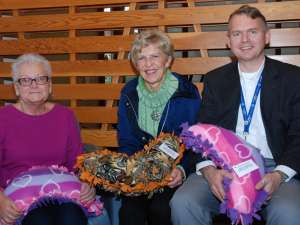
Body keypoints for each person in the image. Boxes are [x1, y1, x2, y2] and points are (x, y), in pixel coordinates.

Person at [170, 5, 300, 225]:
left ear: (266, 37)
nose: (245, 39)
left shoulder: (293, 78)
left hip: (275, 167)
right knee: (183, 202)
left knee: (289, 211)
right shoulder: (215, 80)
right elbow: (202, 133)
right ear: (228, 41)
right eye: (237, 33)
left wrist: (279, 176)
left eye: (253, 31)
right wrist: (209, 171)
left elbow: (299, 134)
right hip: (224, 168)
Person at [0, 53, 110, 225]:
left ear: (50, 85)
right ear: (16, 88)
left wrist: (86, 183)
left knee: (71, 217)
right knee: (40, 220)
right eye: (25, 80)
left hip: (63, 195)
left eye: (41, 79)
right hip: (21, 199)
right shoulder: (2, 118)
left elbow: (78, 163)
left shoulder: (65, 116)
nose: (34, 85)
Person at [117, 29, 201, 225]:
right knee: (129, 212)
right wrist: (134, 169)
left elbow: (197, 142)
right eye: (141, 58)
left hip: (174, 171)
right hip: (141, 171)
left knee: (161, 209)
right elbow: (127, 140)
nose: (148, 64)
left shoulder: (187, 92)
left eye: (155, 56)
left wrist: (181, 169)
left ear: (168, 60)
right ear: (135, 64)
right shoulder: (129, 92)